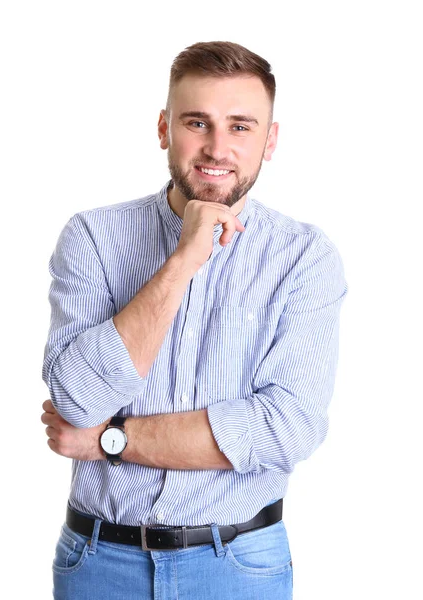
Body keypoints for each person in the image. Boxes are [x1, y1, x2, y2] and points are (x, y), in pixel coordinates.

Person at [41, 40, 348, 600]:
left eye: (240, 126)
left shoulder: (304, 258)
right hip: (100, 564)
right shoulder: (92, 238)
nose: (217, 147)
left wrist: (110, 440)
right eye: (197, 122)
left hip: (238, 566)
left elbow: (286, 427)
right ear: (164, 128)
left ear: (269, 140)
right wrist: (182, 262)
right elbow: (76, 403)